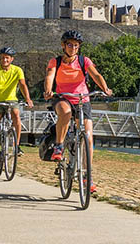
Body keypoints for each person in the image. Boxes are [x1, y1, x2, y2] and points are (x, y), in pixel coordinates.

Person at [43, 30, 112, 193]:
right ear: (63, 45)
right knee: (65, 113)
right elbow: (50, 76)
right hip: (62, 97)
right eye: (70, 45)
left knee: (88, 137)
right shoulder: (56, 62)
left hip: (83, 99)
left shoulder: (84, 61)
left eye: (76, 45)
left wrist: (105, 88)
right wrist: (48, 90)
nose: (73, 48)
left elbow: (96, 75)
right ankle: (59, 146)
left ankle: (88, 176)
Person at [0, 46, 34, 165]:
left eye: (6, 58)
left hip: (11, 100)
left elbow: (22, 85)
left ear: (11, 59)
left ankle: (16, 146)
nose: (4, 60)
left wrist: (28, 99)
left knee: (16, 115)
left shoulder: (17, 70)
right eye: (2, 58)